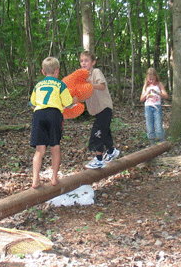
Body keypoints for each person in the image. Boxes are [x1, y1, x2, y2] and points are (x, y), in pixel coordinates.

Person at [30, 57, 75, 188]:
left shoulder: (38, 85)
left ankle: (35, 180)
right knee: (55, 147)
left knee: (39, 149)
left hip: (39, 115)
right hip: (54, 114)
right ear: (57, 70)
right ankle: (54, 178)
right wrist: (75, 102)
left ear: (43, 72)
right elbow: (68, 103)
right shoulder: (60, 84)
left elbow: (32, 104)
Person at [80, 51, 120, 169]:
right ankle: (112, 151)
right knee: (105, 131)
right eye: (82, 61)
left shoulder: (96, 72)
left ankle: (99, 159)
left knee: (97, 132)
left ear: (93, 62)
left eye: (86, 60)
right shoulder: (83, 77)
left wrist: (90, 84)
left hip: (104, 107)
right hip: (97, 110)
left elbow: (102, 86)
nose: (84, 63)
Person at [140, 68, 169, 145]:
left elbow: (166, 96)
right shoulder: (146, 86)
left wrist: (157, 92)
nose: (151, 80)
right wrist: (147, 93)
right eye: (149, 79)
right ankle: (152, 145)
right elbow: (141, 99)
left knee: (159, 127)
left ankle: (162, 144)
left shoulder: (159, 84)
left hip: (157, 107)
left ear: (156, 77)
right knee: (150, 128)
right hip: (148, 107)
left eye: (152, 79)